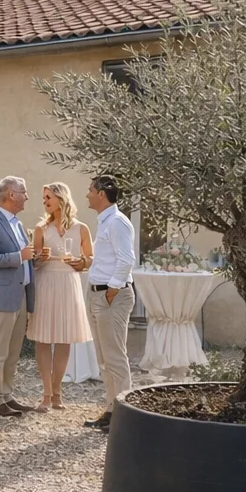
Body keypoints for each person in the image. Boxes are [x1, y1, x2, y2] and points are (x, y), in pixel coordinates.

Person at [27, 182, 94, 411]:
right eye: (43, 198)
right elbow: (33, 262)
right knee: (44, 338)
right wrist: (39, 258)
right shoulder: (40, 229)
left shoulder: (81, 228)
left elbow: (89, 259)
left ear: (61, 199)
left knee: (64, 339)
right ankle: (46, 394)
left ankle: (57, 393)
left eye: (48, 197)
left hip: (68, 283)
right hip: (46, 282)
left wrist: (81, 263)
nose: (45, 202)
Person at [77, 175, 135, 433]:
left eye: (90, 190)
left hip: (111, 297)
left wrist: (111, 291)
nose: (87, 194)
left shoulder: (118, 222)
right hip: (99, 295)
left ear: (101, 193)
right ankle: (112, 410)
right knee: (104, 358)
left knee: (115, 357)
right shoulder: (105, 222)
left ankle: (125, 417)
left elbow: (126, 260)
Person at [0, 176, 37, 417]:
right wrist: (19, 256)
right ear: (11, 194)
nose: (27, 197)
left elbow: (22, 257)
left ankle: (7, 394)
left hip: (19, 294)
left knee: (13, 351)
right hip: (0, 298)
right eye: (24, 192)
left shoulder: (18, 225)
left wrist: (32, 257)